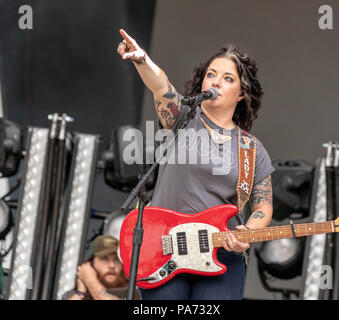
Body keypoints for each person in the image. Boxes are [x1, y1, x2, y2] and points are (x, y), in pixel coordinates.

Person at [116, 29, 275, 300]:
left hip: (222, 250)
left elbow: (263, 204)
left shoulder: (252, 149)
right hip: (164, 246)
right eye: (211, 74)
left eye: (228, 78)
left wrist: (249, 232)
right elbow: (160, 86)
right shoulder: (184, 118)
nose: (216, 81)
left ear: (241, 94)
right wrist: (142, 59)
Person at [63, 234, 140, 300]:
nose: (112, 265)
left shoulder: (134, 293)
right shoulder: (75, 294)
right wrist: (81, 293)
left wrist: (90, 281)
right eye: (104, 259)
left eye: (116, 259)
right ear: (90, 264)